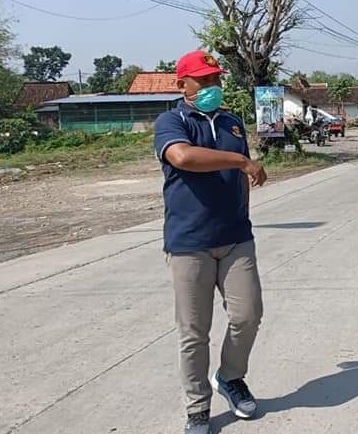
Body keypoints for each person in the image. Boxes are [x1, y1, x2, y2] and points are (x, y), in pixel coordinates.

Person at [153, 51, 268, 434]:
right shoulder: (171, 121)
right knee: (194, 332)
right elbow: (182, 157)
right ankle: (197, 407)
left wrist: (244, 214)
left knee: (248, 314)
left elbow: (244, 180)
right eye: (202, 81)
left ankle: (231, 377)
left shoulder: (232, 122)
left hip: (235, 238)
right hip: (190, 243)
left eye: (215, 79)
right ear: (181, 84)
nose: (211, 87)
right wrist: (239, 162)